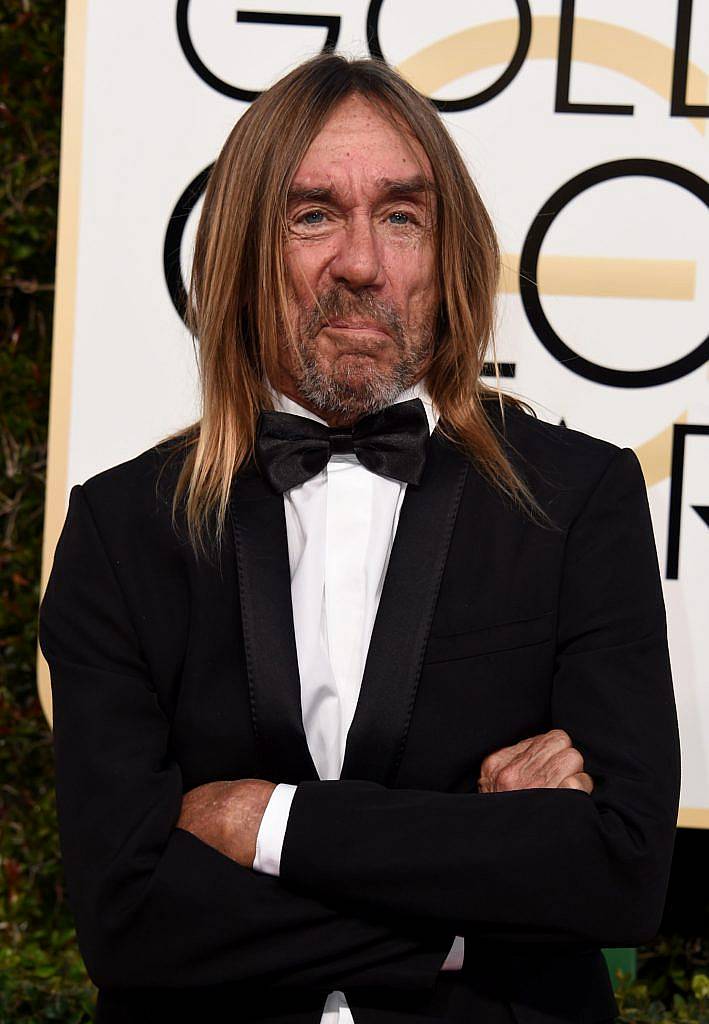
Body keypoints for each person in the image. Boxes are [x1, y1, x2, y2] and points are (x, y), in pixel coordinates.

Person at [39, 54, 680, 1024]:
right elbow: (127, 915)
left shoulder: (577, 498)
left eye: (399, 215)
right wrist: (481, 901)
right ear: (248, 250)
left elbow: (619, 872)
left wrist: (266, 819)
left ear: (446, 252)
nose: (359, 262)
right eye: (312, 214)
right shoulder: (123, 531)